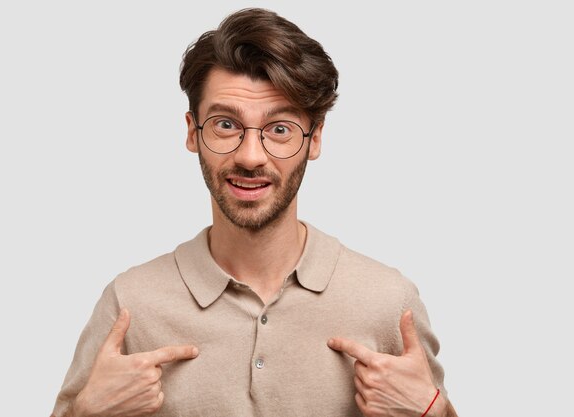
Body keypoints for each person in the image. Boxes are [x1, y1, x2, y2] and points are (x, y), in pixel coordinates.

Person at [51, 8, 457, 417]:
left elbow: (429, 407)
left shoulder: (388, 301)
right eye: (226, 125)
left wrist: (431, 413)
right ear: (193, 133)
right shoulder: (130, 303)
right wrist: (84, 413)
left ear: (314, 139)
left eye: (279, 129)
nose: (250, 156)